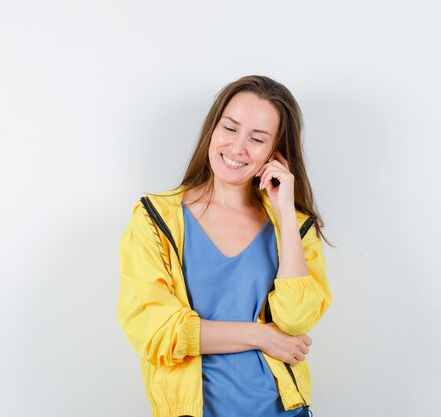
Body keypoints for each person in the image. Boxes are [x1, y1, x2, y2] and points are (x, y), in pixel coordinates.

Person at [117, 75, 332, 417]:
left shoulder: (293, 227)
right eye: (230, 128)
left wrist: (287, 215)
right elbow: (156, 332)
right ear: (213, 128)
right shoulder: (154, 220)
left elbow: (295, 320)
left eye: (257, 139)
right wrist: (261, 336)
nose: (237, 147)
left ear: (275, 153)